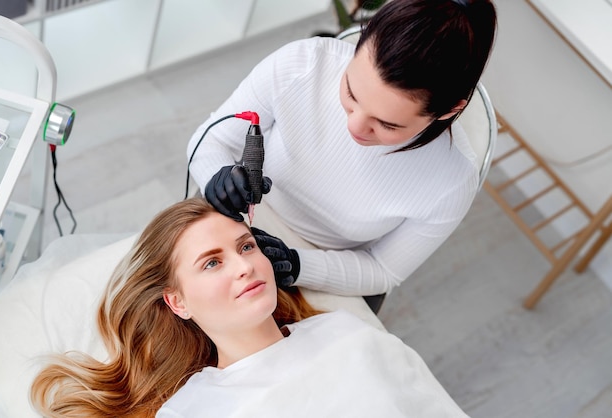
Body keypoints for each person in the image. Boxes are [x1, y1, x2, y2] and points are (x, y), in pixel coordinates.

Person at [30, 198, 470, 417]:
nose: (244, 266)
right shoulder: (192, 410)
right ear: (177, 302)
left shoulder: (345, 332)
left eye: (246, 246)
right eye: (213, 262)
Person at [188, 0, 498, 297]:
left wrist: (298, 265)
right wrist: (216, 176)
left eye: (387, 124)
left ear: (449, 111)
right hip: (237, 220)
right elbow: (212, 140)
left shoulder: (451, 181)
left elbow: (384, 270)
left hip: (320, 263)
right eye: (350, 92)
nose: (355, 127)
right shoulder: (302, 64)